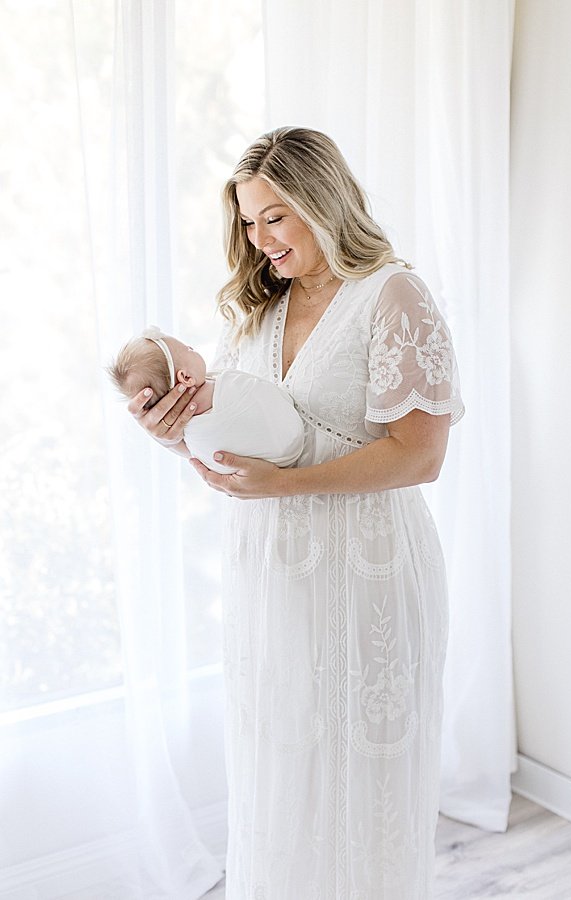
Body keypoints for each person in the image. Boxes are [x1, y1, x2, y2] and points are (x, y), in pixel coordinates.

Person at [125, 126, 463, 898]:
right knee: (280, 774)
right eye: (248, 220)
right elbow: (240, 446)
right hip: (271, 575)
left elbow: (421, 455)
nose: (259, 238)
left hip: (368, 566)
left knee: (361, 787)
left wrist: (286, 487)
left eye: (275, 216)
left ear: (323, 201)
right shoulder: (255, 310)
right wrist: (176, 437)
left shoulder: (392, 295)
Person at [107, 326, 304, 475]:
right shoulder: (221, 387)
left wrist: (168, 441)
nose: (192, 348)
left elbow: (193, 454)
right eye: (188, 349)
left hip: (267, 464)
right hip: (292, 438)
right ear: (186, 378)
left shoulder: (186, 434)